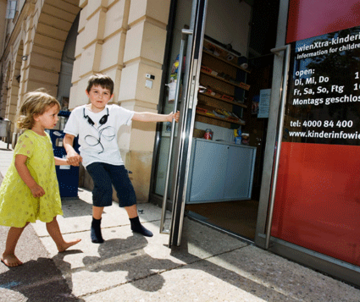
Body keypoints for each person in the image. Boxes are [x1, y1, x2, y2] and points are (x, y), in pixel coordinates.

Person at [63, 74, 180, 244]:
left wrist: (166, 117)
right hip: (91, 158)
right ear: (88, 93)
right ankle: (95, 225)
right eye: (96, 92)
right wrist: (70, 151)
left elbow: (142, 116)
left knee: (126, 189)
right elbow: (68, 138)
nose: (100, 96)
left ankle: (136, 224)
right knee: (103, 186)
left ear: (111, 97)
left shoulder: (115, 111)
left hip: (113, 159)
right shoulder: (78, 113)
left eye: (105, 93)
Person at [0, 90, 81, 267]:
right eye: (53, 115)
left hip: (44, 185)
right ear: (36, 115)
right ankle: (7, 253)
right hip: (28, 187)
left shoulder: (45, 136)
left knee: (50, 216)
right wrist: (32, 185)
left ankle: (61, 244)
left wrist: (67, 161)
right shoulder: (28, 137)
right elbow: (19, 163)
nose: (56, 119)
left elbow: (48, 158)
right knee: (21, 220)